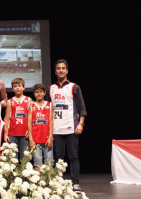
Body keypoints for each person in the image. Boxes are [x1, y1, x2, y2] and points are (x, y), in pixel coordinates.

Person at [46, 59, 87, 194]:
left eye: (63, 68)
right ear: (55, 71)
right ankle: (59, 183)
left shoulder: (74, 87)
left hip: (71, 128)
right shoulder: (51, 88)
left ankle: (75, 184)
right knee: (58, 157)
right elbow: (45, 108)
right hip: (56, 129)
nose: (61, 70)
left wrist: (81, 123)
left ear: (67, 71)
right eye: (58, 68)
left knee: (73, 156)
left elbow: (82, 108)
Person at [4, 78, 31, 161]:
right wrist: (5, 134)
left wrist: (30, 131)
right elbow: (6, 118)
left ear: (24, 87)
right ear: (12, 89)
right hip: (12, 134)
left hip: (24, 134)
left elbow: (31, 118)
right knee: (13, 160)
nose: (17, 88)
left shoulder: (29, 100)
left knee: (25, 160)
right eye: (15, 86)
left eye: (19, 86)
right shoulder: (9, 101)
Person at [28, 84, 53, 168]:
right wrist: (31, 139)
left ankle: (50, 181)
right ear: (34, 94)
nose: (39, 94)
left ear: (45, 93)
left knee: (49, 164)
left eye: (41, 92)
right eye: (36, 92)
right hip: (35, 140)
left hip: (47, 139)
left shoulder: (50, 105)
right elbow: (29, 123)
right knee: (37, 164)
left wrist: (50, 138)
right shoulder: (31, 106)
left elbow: (51, 122)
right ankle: (39, 181)